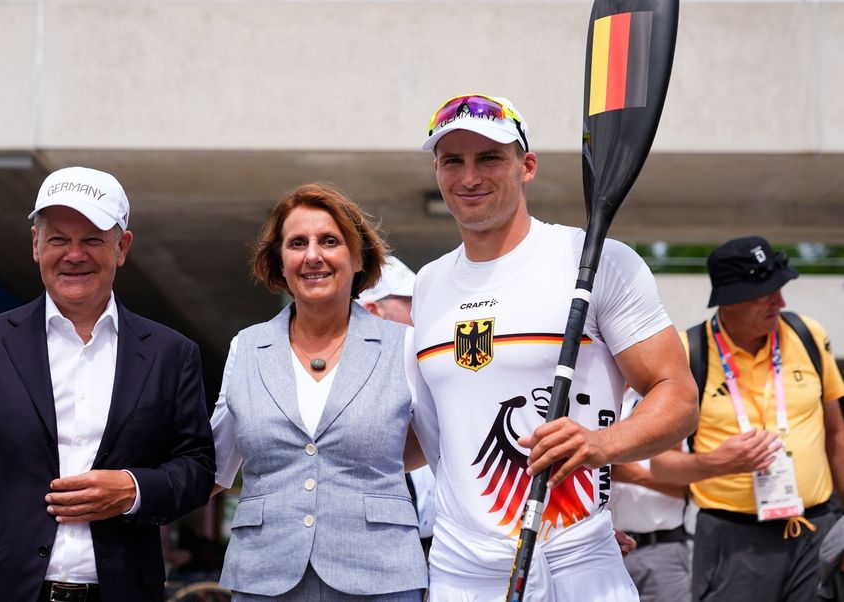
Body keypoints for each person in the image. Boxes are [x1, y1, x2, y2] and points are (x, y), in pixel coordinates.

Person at [407, 93, 698, 600]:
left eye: (489, 157)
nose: (469, 177)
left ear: (527, 166)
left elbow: (678, 396)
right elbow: (433, 435)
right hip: (460, 574)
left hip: (576, 562)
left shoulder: (595, 260)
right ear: (437, 170)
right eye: (452, 161)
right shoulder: (429, 285)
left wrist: (603, 445)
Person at [0, 166, 216, 602]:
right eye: (58, 239)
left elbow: (198, 468)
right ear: (36, 245)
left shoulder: (172, 353)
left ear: (122, 247)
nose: (75, 255)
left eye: (92, 239)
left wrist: (132, 489)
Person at [210, 183, 428, 599]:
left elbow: (432, 449)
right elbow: (216, 463)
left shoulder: (402, 344)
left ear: (358, 256)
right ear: (280, 260)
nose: (313, 255)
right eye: (297, 243)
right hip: (263, 577)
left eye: (330, 241)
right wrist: (138, 492)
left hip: (380, 575)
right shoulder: (247, 346)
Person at [649, 236, 844, 602]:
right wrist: (716, 463)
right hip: (733, 541)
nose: (780, 302)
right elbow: (662, 467)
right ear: (730, 298)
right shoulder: (688, 352)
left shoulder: (808, 335)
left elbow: (837, 434)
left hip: (817, 526)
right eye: (765, 293)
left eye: (780, 288)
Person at [357, 255, 438, 553]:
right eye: (409, 304)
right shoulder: (351, 392)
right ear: (373, 311)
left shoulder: (428, 372)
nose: (421, 314)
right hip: (379, 555)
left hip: (435, 552)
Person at [610, 389, 691, 601]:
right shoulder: (610, 397)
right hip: (604, 551)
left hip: (660, 553)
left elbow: (699, 488)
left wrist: (634, 476)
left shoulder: (671, 402)